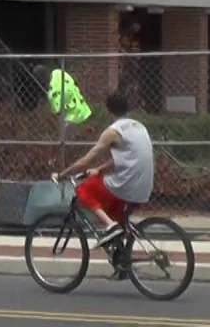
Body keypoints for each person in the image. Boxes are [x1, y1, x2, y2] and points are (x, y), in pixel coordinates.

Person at [54, 91, 153, 248]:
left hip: (125, 186)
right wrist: (99, 169)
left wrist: (62, 174)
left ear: (109, 111)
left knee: (84, 190)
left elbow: (86, 161)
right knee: (116, 218)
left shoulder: (113, 131)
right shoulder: (139, 126)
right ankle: (123, 261)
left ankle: (110, 225)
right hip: (144, 186)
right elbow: (123, 160)